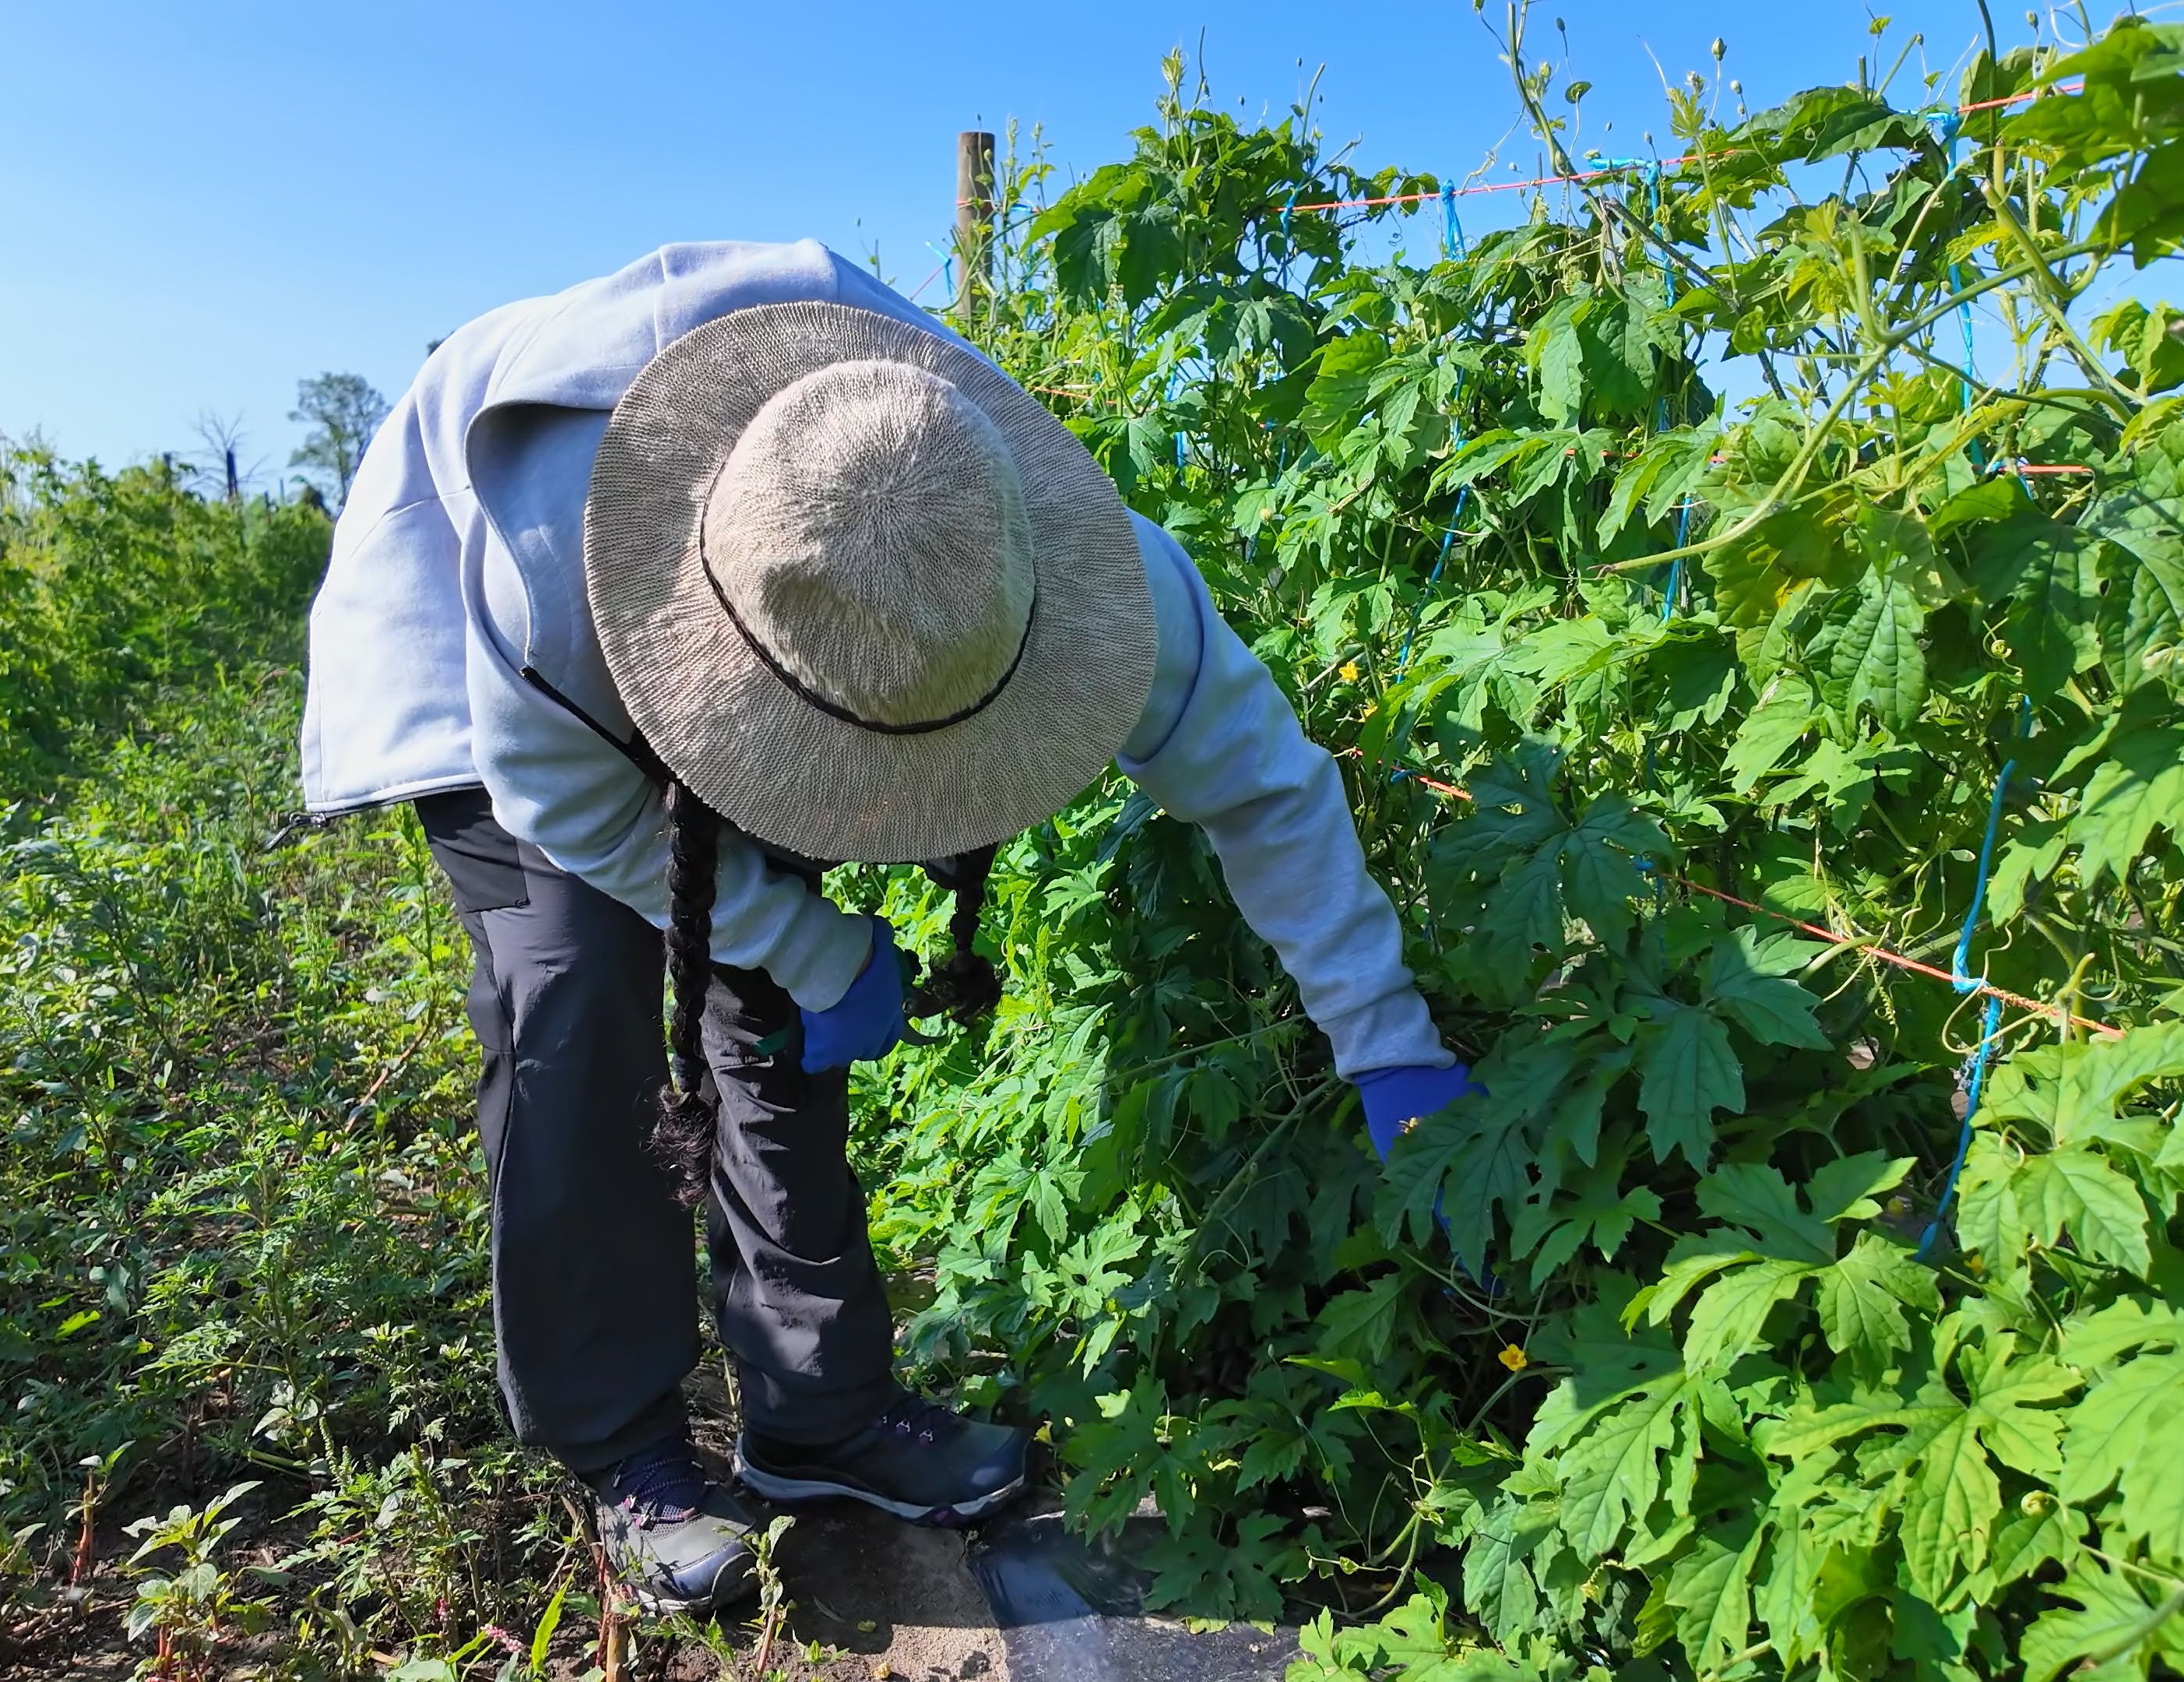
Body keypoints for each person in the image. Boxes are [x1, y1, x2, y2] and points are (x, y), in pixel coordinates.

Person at [299, 241, 1474, 1613]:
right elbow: (566, 808)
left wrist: (1388, 1044)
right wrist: (809, 943)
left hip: (786, 587)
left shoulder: (1024, 532)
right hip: (467, 591)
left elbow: (1265, 783)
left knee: (771, 1010)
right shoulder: (546, 563)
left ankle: (819, 1410)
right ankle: (623, 1447)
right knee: (578, 989)